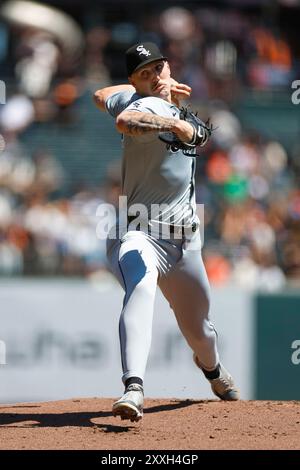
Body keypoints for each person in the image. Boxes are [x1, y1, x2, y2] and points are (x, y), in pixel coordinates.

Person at [94, 42, 239, 422]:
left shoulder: (151, 97)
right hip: (139, 231)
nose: (155, 76)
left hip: (184, 241)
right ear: (134, 80)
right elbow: (125, 122)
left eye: (158, 68)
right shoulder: (144, 106)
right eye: (145, 73)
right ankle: (134, 387)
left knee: (201, 331)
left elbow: (101, 95)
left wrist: (145, 93)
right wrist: (168, 119)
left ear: (168, 67)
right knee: (140, 285)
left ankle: (212, 370)